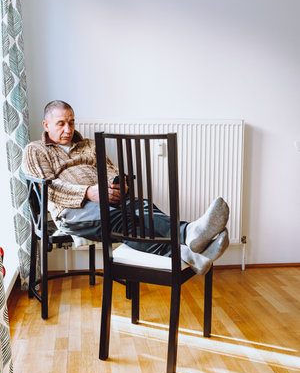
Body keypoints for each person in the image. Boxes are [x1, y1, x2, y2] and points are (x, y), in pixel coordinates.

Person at [23, 100, 230, 275]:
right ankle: (188, 234)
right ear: (46, 124)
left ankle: (190, 253)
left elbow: (111, 169)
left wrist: (120, 185)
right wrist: (88, 193)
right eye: (61, 124)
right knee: (123, 218)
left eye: (71, 122)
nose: (68, 129)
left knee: (143, 206)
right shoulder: (35, 149)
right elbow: (47, 188)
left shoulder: (89, 145)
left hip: (110, 200)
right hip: (72, 211)